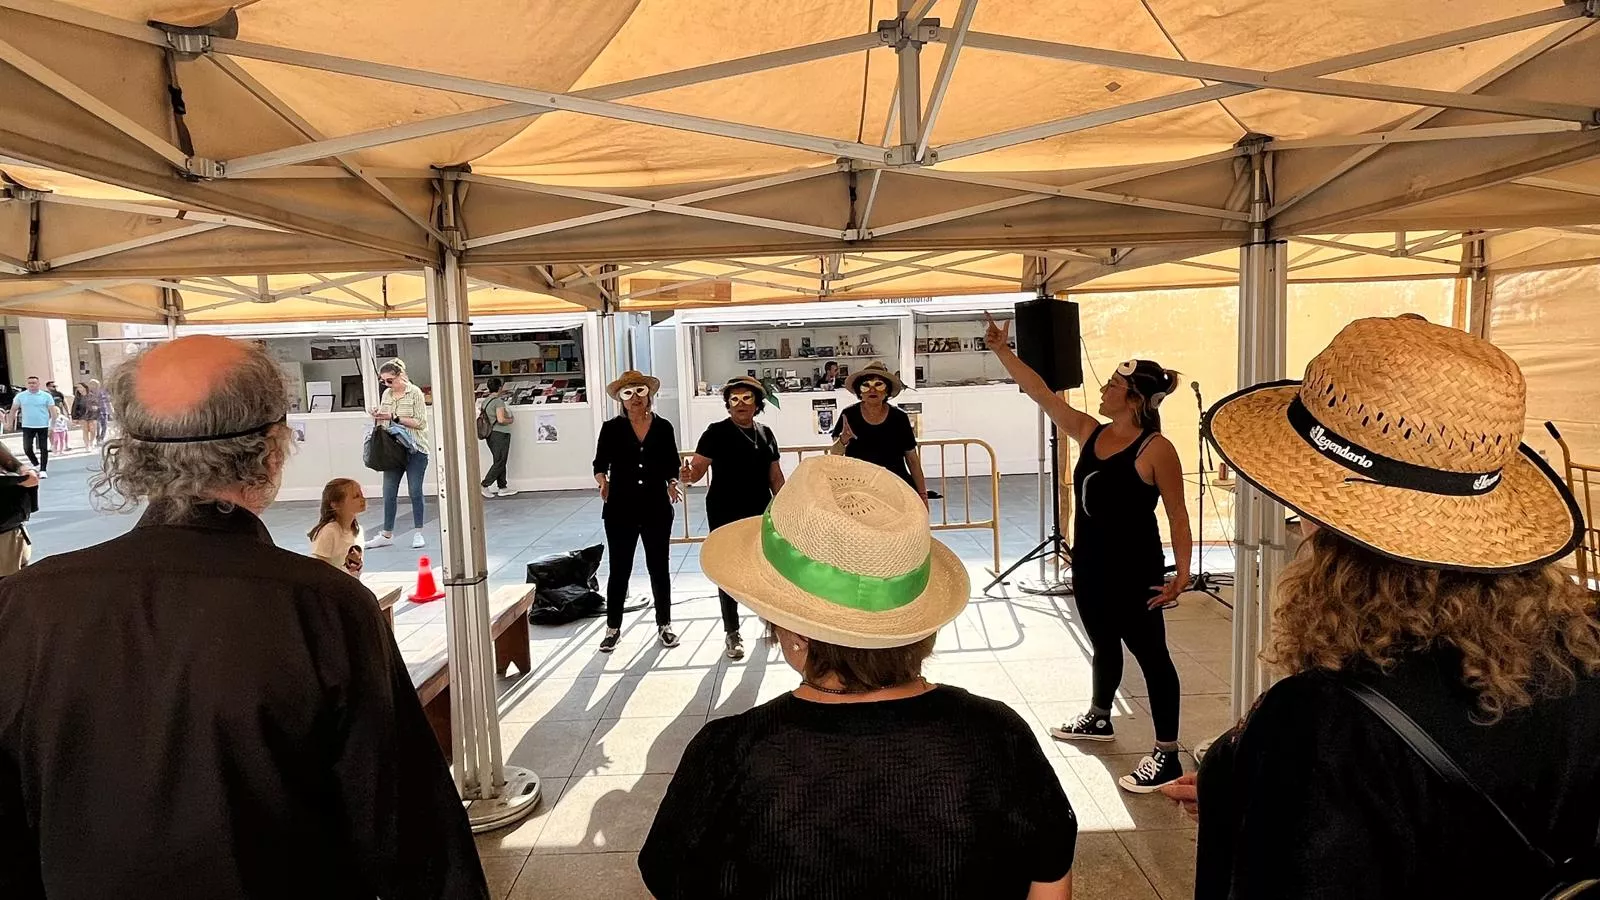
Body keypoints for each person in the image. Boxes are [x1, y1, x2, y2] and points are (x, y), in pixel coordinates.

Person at [0, 335, 486, 899]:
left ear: (130, 454)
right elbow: (409, 832)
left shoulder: (23, 605)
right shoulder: (324, 606)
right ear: (273, 450)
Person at [1188, 314, 1599, 899]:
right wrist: (1240, 772)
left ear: (1326, 519)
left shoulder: (1321, 722)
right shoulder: (1585, 651)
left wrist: (1263, 799)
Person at [640, 455, 1078, 899]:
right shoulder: (999, 737)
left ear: (791, 630)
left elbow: (672, 877)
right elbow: (1050, 886)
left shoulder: (732, 753)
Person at [984, 313, 1193, 792]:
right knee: (1103, 644)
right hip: (1091, 567)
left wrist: (1181, 574)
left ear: (1135, 399)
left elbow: (1178, 516)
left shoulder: (1156, 449)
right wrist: (1002, 351)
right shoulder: (1091, 431)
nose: (1103, 391)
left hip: (1135, 572)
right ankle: (1101, 717)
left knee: (1153, 657)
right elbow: (1040, 393)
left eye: (1114, 386)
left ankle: (1167, 755)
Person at [679, 376, 786, 661]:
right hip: (724, 510)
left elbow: (775, 475)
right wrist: (689, 476)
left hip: (759, 510)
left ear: (756, 404)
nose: (740, 404)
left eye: (746, 398)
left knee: (765, 567)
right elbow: (699, 469)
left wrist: (787, 504)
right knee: (726, 571)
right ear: (727, 404)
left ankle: (772, 624)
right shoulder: (715, 432)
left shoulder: (766, 433)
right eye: (734, 399)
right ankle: (732, 631)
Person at [592, 370, 682, 652]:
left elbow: (671, 462)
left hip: (656, 505)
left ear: (649, 395)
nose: (635, 399)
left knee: (659, 567)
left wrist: (672, 482)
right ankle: (612, 628)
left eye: (640, 392)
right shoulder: (611, 428)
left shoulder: (663, 426)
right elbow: (599, 463)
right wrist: (602, 481)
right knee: (620, 568)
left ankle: (664, 624)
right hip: (621, 507)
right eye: (628, 394)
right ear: (621, 399)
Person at [828, 361, 929, 505]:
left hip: (896, 487)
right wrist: (843, 439)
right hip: (860, 491)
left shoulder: (899, 418)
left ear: (887, 391)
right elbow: (835, 454)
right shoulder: (849, 415)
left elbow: (912, 459)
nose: (872, 390)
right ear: (859, 392)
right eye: (866, 385)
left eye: (878, 384)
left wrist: (923, 495)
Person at [365, 358, 430, 550]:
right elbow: (385, 420)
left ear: (400, 376)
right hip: (393, 448)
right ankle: (386, 533)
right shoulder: (387, 394)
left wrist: (394, 417)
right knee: (388, 492)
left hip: (415, 448)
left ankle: (419, 531)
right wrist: (378, 415)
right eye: (383, 381)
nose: (387, 384)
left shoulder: (415, 393)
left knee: (415, 491)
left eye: (390, 380)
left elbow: (420, 422)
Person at [308, 477, 366, 577]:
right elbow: (319, 568)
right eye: (356, 496)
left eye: (362, 495)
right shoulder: (329, 531)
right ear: (335, 505)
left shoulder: (358, 530)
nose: (363, 499)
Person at [0, 443, 39, 576]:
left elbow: (12, 463)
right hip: (7, 536)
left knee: (12, 585)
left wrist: (24, 472)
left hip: (9, 536)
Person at [12, 376, 59, 479]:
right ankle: (36, 464)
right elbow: (13, 409)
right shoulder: (21, 396)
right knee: (27, 448)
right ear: (27, 384)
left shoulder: (46, 396)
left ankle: (43, 469)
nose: (32, 385)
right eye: (30, 383)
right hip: (28, 425)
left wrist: (52, 426)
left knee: (43, 448)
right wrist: (9, 423)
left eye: (34, 383)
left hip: (43, 425)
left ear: (38, 384)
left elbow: (53, 412)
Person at [479, 377, 518, 499]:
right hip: (500, 433)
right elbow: (501, 419)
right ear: (500, 388)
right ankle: (485, 484)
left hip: (490, 434)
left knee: (499, 460)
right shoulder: (498, 402)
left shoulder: (485, 401)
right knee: (501, 461)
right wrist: (510, 420)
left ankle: (502, 487)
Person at [71, 382, 97, 450]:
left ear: (84, 387)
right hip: (82, 415)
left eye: (80, 387)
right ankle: (87, 445)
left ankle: (92, 441)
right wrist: (74, 417)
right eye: (77, 387)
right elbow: (74, 407)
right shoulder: (78, 397)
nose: (78, 389)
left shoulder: (91, 395)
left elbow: (97, 403)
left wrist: (96, 408)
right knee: (85, 430)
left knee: (92, 429)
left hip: (92, 415)